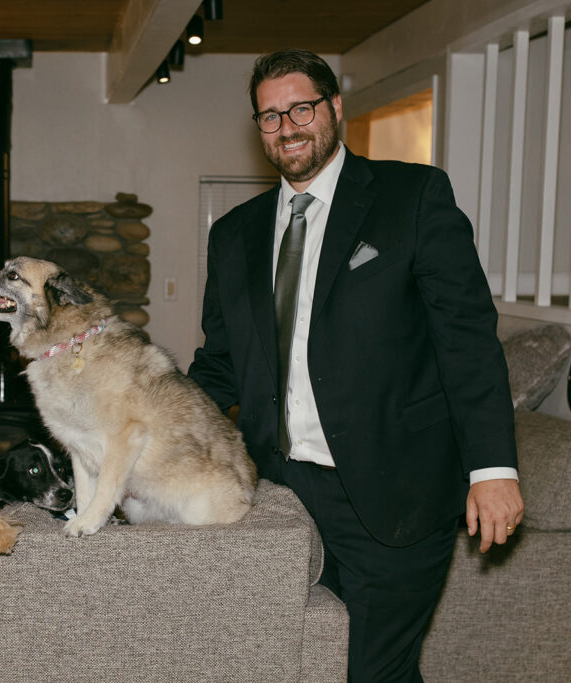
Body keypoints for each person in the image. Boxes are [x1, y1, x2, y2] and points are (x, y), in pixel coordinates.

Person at [188, 50, 524, 682]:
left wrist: (493, 467)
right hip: (278, 491)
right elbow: (220, 365)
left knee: (375, 672)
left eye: (301, 108)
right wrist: (144, 423)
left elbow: (467, 343)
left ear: (335, 108)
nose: (287, 127)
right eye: (269, 116)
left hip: (394, 486)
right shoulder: (233, 235)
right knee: (300, 664)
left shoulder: (414, 197)